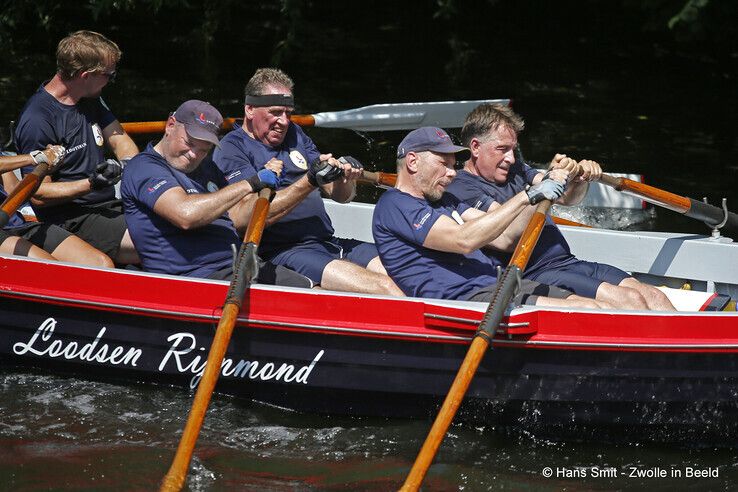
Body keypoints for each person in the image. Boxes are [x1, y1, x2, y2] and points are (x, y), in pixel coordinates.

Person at [446, 103, 674, 310]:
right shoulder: (461, 187)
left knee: (655, 297)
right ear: (475, 147)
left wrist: (578, 179)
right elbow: (507, 235)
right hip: (535, 272)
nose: (511, 159)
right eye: (502, 149)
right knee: (630, 301)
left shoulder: (516, 169)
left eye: (512, 149)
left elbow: (567, 199)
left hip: (567, 261)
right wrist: (547, 184)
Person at [212, 67, 402, 295]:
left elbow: (341, 196)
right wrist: (309, 181)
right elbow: (243, 219)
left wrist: (345, 178)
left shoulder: (295, 133)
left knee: (405, 273)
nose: (284, 121)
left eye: (288, 113)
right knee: (384, 287)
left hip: (327, 241)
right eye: (275, 112)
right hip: (285, 252)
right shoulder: (232, 149)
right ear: (250, 109)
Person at [372, 126, 607, 309]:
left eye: (454, 165)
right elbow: (462, 239)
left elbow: (504, 238)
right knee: (587, 310)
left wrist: (541, 192)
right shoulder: (395, 204)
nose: (452, 173)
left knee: (596, 307)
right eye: (444, 164)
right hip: (465, 300)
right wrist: (527, 195)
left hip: (499, 285)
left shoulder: (447, 201)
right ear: (412, 162)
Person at [121, 99, 312, 288]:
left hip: (240, 267)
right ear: (170, 125)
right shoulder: (144, 167)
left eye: (204, 149)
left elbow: (239, 217)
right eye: (189, 143)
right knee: (306, 304)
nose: (194, 154)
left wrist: (306, 181)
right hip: (196, 280)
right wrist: (251, 183)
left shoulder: (207, 168)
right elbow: (185, 215)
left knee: (311, 288)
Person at [14, 30, 139, 266]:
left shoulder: (90, 97)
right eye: (109, 75)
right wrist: (91, 184)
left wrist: (125, 166)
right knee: (158, 241)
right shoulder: (38, 119)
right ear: (85, 75)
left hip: (108, 204)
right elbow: (39, 195)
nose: (111, 80)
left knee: (173, 224)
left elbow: (121, 141)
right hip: (71, 217)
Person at [0, 145, 114, 267]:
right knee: (56, 272)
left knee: (102, 264)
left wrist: (46, 169)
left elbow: (12, 189)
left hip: (16, 223)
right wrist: (38, 157)